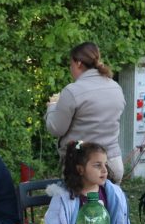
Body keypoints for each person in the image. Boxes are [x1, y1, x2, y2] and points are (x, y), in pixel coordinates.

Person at [45, 42, 127, 182]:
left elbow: (56, 128)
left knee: (83, 198)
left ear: (78, 63)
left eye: (71, 65)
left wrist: (52, 106)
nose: (70, 69)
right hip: (112, 163)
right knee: (109, 197)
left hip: (83, 167)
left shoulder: (72, 91)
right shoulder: (115, 87)